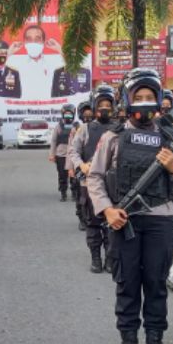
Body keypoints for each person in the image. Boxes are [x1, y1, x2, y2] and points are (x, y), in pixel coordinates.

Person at [87, 68, 173, 344]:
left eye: (148, 97)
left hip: (160, 219)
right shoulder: (113, 136)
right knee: (127, 283)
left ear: (158, 100)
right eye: (137, 97)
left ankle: (155, 341)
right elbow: (95, 178)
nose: (143, 102)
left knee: (156, 283)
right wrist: (107, 210)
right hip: (123, 220)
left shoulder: (171, 138)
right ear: (127, 100)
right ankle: (129, 342)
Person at [68, 85, 117, 273]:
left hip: (113, 184)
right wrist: (81, 165)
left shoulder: (118, 129)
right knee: (93, 223)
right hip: (88, 183)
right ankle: (96, 258)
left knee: (112, 224)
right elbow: (73, 151)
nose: (104, 108)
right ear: (95, 106)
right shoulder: (85, 129)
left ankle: (111, 259)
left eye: (108, 104)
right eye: (101, 104)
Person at [48, 103, 78, 201]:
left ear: (74, 114)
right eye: (66, 114)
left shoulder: (77, 126)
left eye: (70, 114)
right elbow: (53, 141)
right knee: (62, 175)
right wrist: (52, 154)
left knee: (74, 175)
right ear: (63, 114)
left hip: (74, 155)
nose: (68, 116)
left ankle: (74, 192)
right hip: (60, 154)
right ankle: (63, 193)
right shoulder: (59, 126)